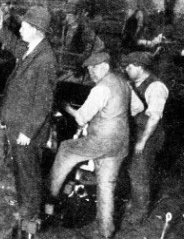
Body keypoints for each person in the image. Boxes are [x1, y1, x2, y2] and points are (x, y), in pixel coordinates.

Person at [49, 52, 130, 239]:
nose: (91, 72)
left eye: (95, 68)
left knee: (65, 149)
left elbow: (81, 117)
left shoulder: (100, 88)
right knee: (106, 186)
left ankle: (49, 201)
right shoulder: (124, 83)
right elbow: (136, 108)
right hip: (120, 143)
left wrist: (66, 106)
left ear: (105, 67)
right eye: (89, 68)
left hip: (101, 141)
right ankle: (106, 231)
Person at [0, 5, 57, 223]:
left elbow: (43, 102)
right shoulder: (32, 48)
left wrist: (28, 132)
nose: (20, 29)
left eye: (25, 26)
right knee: (20, 167)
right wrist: (0, 26)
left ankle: (30, 214)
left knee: (28, 172)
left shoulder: (45, 60)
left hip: (27, 129)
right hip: (17, 124)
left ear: (37, 29)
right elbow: (12, 44)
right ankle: (25, 206)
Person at [121, 51, 168, 224]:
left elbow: (155, 117)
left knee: (140, 174)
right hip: (135, 132)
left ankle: (139, 213)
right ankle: (134, 202)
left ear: (140, 68)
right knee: (131, 170)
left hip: (148, 135)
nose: (126, 69)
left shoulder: (156, 87)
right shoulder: (133, 82)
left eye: (130, 66)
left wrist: (142, 141)